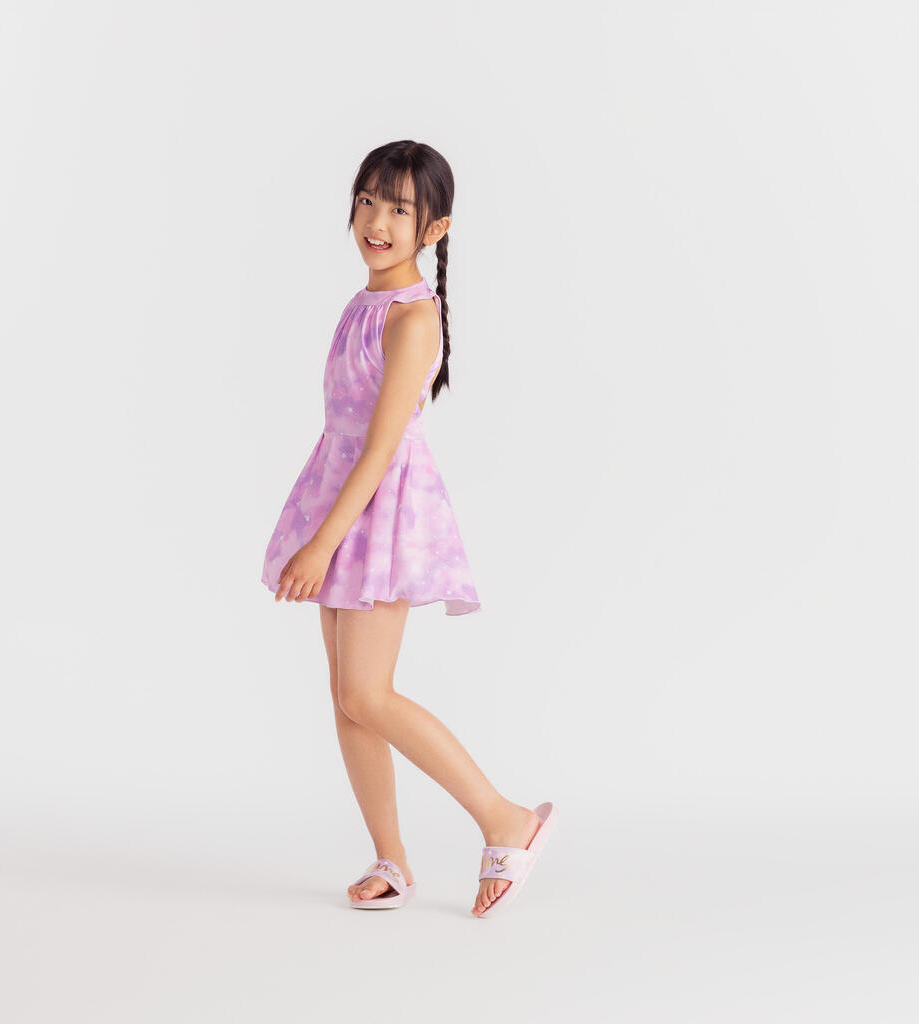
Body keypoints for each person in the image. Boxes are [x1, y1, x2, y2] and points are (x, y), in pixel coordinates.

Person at [261, 140, 557, 918]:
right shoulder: (363, 305)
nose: (378, 221)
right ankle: (391, 859)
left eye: (399, 208)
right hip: (343, 498)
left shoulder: (413, 318)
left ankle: (505, 817)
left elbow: (383, 446)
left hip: (380, 511)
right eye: (368, 200)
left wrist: (321, 540)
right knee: (348, 698)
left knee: (368, 691)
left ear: (435, 228)